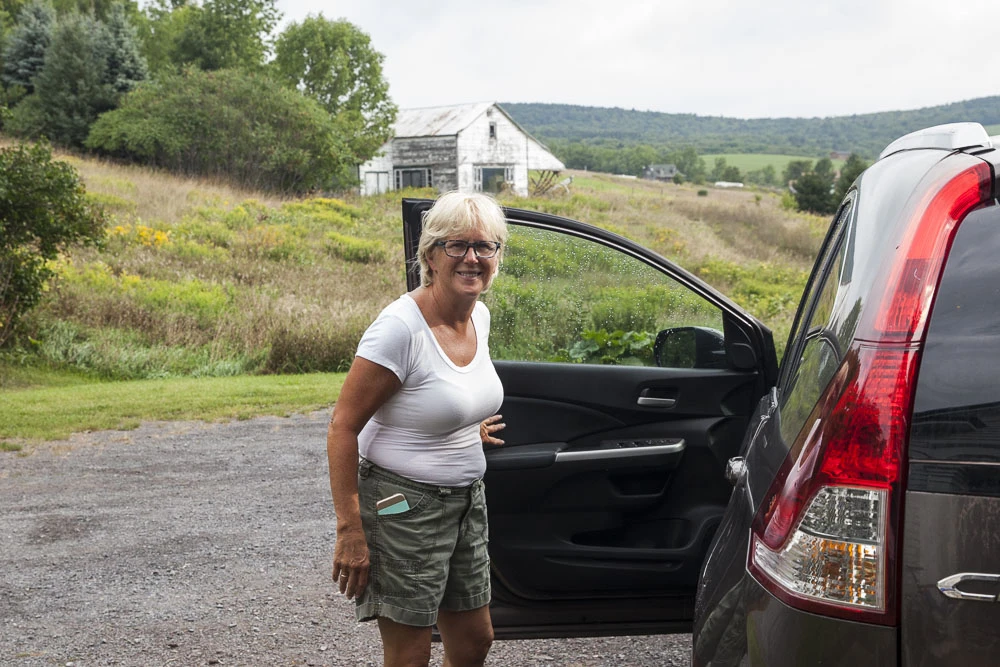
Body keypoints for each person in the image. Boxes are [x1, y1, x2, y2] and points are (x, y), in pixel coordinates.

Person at [327, 191, 508, 667]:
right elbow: (342, 427)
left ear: (497, 256)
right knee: (409, 655)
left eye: (484, 246)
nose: (472, 257)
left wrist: (464, 426)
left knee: (474, 641)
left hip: (466, 500)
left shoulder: (479, 317)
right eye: (456, 245)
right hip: (404, 505)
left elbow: (439, 397)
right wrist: (350, 528)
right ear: (430, 255)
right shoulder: (399, 329)